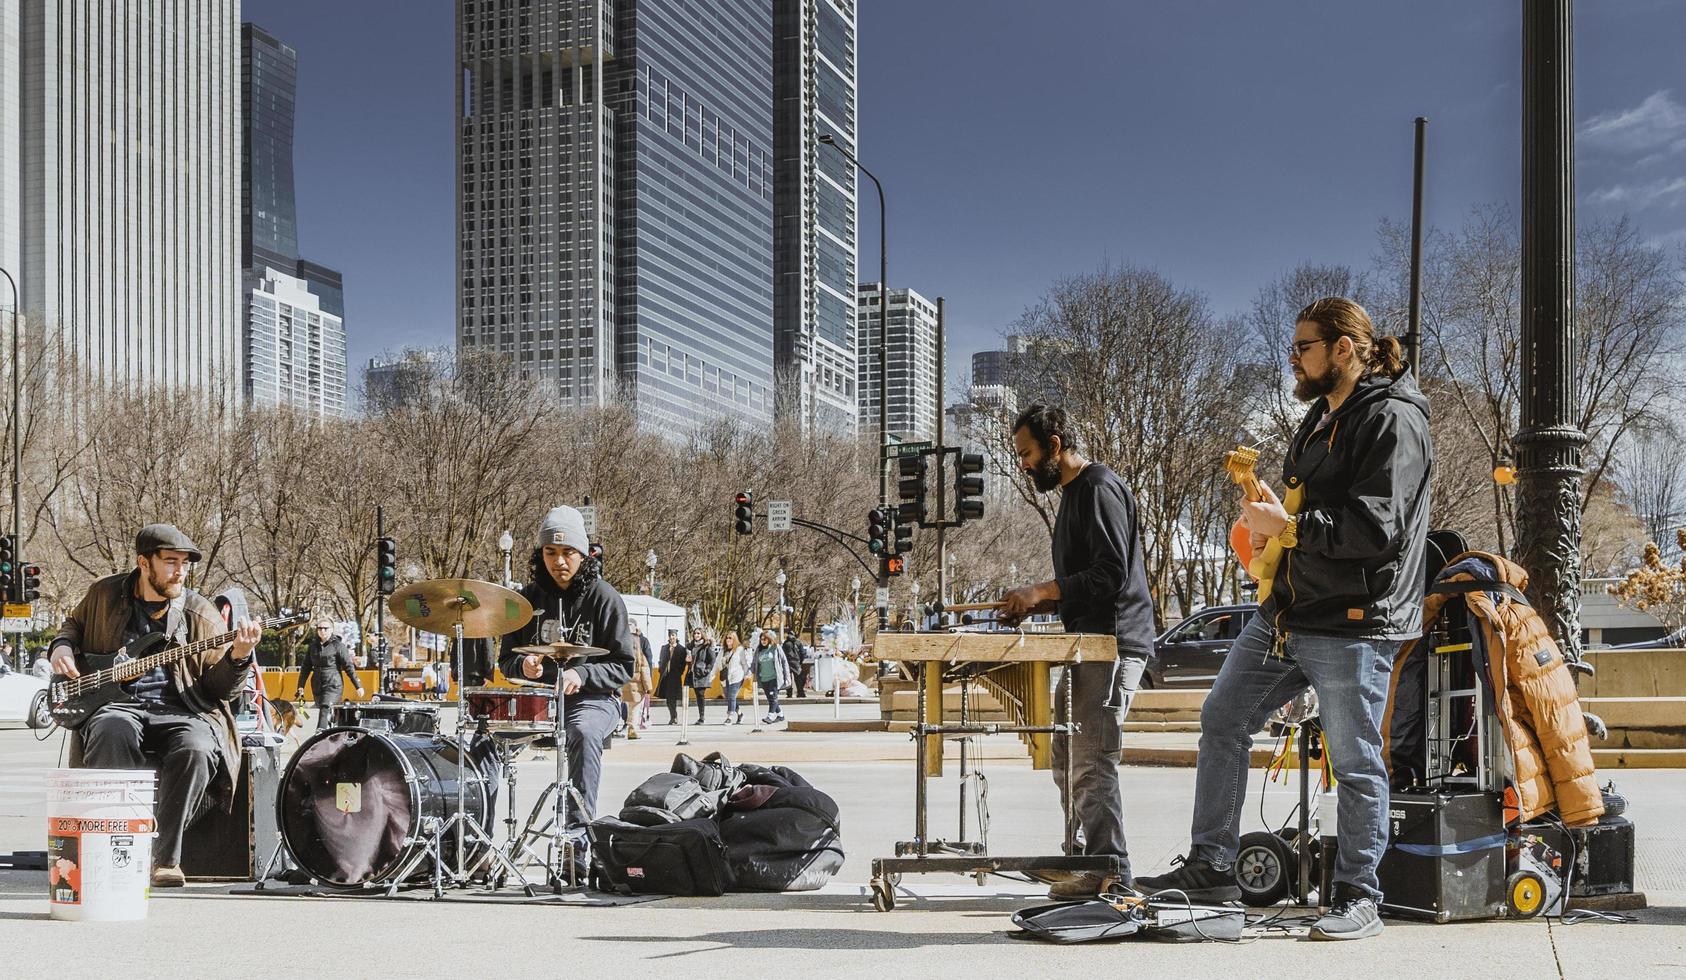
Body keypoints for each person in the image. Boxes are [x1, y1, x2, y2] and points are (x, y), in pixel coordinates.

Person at [1135, 298, 1432, 942]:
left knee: (1355, 761)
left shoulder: (1392, 419)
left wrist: (1291, 528)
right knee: (1222, 720)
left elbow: (1378, 528)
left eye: (1304, 347)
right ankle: (1212, 869)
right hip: (1286, 613)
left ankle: (1359, 895)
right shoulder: (1319, 418)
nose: (1293, 359)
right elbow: (1309, 513)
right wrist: (1270, 514)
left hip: (1354, 621)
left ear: (1345, 350)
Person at [47, 524, 263, 888]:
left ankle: (166, 859)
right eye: (170, 562)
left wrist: (238, 658)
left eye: (184, 563)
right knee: (110, 728)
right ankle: (115, 845)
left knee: (196, 746)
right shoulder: (104, 594)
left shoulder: (199, 613)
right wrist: (61, 647)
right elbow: (73, 625)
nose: (180, 571)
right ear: (143, 563)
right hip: (118, 705)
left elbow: (219, 691)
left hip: (181, 707)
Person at [1000, 405, 1155, 900]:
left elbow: (1111, 574)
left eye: (1027, 453)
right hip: (1087, 643)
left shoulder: (1098, 487)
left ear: (1055, 442)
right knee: (1065, 755)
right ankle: (1085, 858)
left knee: (1091, 762)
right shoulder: (1072, 494)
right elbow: (1084, 584)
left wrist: (1042, 592)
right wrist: (1036, 602)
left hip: (1111, 644)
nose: (1023, 464)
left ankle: (1112, 871)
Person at [498, 506, 635, 859]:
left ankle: (577, 839)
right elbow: (506, 660)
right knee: (484, 733)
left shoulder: (605, 597)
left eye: (568, 552)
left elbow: (623, 665)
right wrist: (523, 666)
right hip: (539, 699)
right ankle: (475, 841)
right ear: (540, 554)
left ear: (584, 553)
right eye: (550, 552)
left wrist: (582, 673)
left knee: (584, 732)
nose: (559, 561)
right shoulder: (526, 599)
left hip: (594, 701)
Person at [296, 619, 365, 731]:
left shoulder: (338, 646)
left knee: (325, 707)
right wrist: (300, 686)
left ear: (332, 630)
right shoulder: (313, 647)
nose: (322, 631)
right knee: (325, 710)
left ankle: (319, 733)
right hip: (317, 685)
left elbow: (348, 667)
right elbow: (306, 668)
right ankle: (334, 731)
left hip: (333, 684)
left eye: (325, 628)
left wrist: (358, 685)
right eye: (320, 628)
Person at [620, 621, 653, 739]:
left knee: (622, 705)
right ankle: (631, 729)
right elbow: (645, 668)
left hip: (623, 681)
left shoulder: (621, 646)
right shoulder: (641, 649)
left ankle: (615, 728)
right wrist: (649, 686)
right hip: (636, 683)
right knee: (634, 708)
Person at [752, 629, 791, 724]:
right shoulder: (759, 650)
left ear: (769, 639)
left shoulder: (775, 648)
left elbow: (784, 661)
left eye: (765, 639)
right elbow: (754, 663)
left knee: (773, 696)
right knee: (771, 698)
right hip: (764, 678)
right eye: (762, 639)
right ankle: (780, 715)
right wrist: (752, 672)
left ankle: (770, 715)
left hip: (774, 677)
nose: (763, 641)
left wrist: (787, 676)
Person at [716, 631, 750, 724]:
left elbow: (744, 663)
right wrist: (711, 675)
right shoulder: (723, 650)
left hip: (737, 676)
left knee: (731, 696)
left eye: (730, 638)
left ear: (734, 639)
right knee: (729, 697)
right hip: (724, 676)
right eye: (727, 638)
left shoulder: (740, 650)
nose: (728, 640)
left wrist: (747, 674)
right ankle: (740, 714)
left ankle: (729, 717)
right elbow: (716, 663)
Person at [686, 627, 718, 724]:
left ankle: (702, 717)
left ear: (702, 635)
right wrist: (687, 660)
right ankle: (700, 717)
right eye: (695, 633)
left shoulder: (706, 646)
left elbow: (712, 660)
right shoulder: (691, 646)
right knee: (697, 696)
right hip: (692, 674)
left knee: (700, 695)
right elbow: (689, 659)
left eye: (698, 633)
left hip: (701, 674)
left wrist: (706, 670)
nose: (696, 635)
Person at [656, 629, 688, 724]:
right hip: (665, 676)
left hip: (675, 676)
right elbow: (661, 660)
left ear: (676, 636)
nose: (671, 637)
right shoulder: (664, 648)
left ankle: (674, 717)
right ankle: (673, 716)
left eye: (673, 635)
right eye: (670, 635)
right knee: (668, 699)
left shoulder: (681, 649)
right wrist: (661, 669)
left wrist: (679, 672)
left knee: (673, 697)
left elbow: (683, 663)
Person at [783, 628, 811, 698]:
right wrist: (800, 661)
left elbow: (782, 654)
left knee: (788, 679)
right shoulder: (798, 643)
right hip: (796, 662)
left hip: (787, 663)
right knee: (799, 679)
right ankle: (800, 693)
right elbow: (802, 653)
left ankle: (789, 694)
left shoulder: (785, 643)